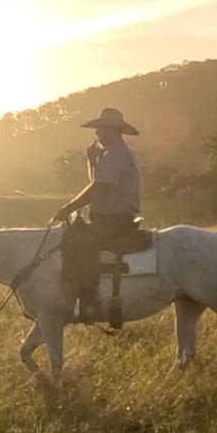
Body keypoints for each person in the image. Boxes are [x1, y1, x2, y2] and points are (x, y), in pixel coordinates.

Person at [53, 106, 142, 321]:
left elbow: (99, 189)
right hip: (109, 217)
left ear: (112, 131)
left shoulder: (116, 154)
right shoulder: (110, 154)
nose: (97, 133)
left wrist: (68, 208)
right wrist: (91, 162)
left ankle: (88, 302)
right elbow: (96, 182)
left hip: (114, 219)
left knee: (79, 246)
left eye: (101, 129)